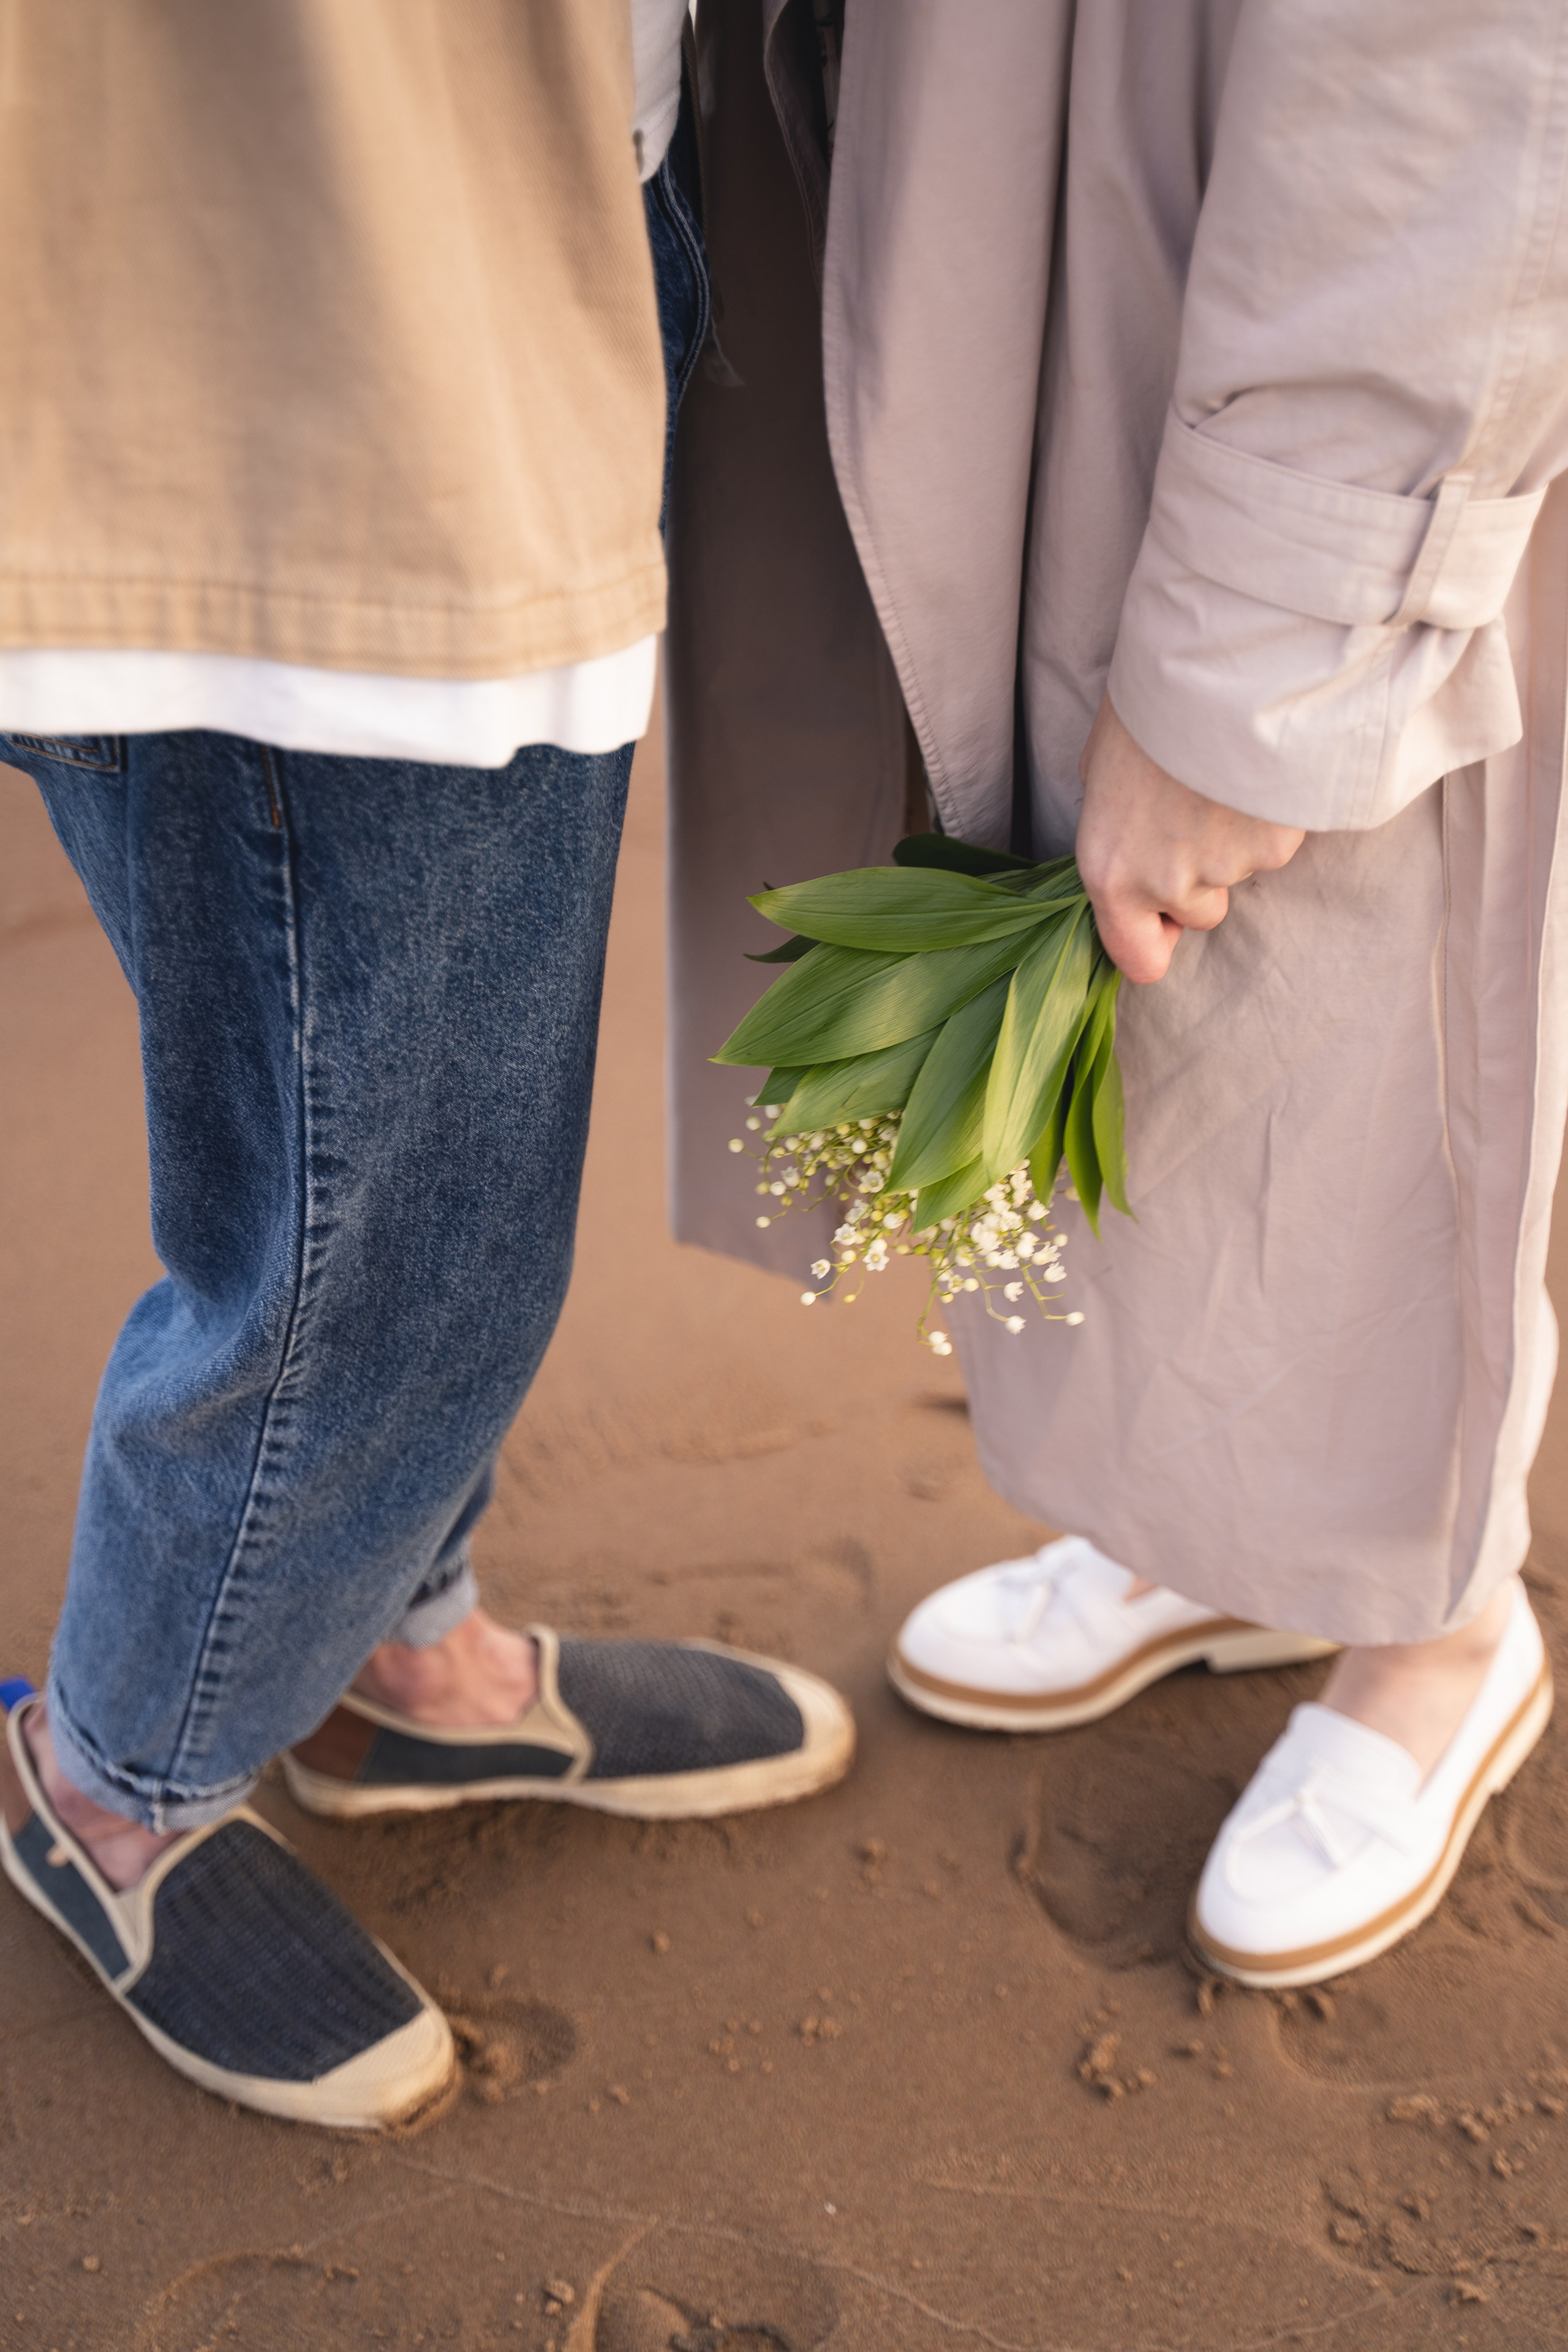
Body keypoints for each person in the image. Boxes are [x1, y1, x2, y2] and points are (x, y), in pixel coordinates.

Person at [0, 1, 851, 2133]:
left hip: (536, 217)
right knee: (380, 1217)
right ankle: (120, 1775)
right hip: (285, 333)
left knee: (430, 1136)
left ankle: (398, 1657)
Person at [666, 0, 1566, 1986]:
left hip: (1282, 272)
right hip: (1035, 206)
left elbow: (1455, 76)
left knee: (1345, 955)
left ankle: (1438, 1623)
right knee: (1130, 961)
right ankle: (1223, 1520)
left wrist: (1269, 636)